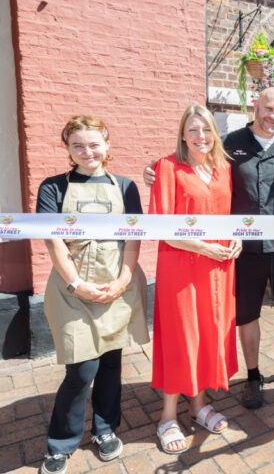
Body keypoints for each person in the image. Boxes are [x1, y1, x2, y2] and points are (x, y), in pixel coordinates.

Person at [143, 88, 274, 414]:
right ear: (256, 107)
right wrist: (153, 169)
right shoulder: (230, 144)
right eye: (268, 109)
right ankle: (253, 375)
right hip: (241, 250)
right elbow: (193, 157)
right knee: (247, 313)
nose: (273, 116)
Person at [37, 116, 149, 474]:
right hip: (73, 291)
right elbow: (53, 239)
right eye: (78, 146)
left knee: (111, 363)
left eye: (94, 144)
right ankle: (61, 443)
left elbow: (134, 237)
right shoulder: (53, 187)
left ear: (107, 144)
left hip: (116, 284)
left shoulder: (127, 186)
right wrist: (76, 283)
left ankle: (105, 429)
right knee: (81, 369)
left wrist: (123, 280)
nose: (88, 152)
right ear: (68, 149)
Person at [149, 105, 241, 454]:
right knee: (181, 336)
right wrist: (204, 246)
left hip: (218, 267)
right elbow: (164, 228)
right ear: (182, 134)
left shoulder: (223, 169)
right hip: (182, 266)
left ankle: (198, 404)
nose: (200, 136)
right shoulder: (168, 168)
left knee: (208, 331)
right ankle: (167, 415)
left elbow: (232, 216)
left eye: (206, 130)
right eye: (193, 130)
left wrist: (238, 239)